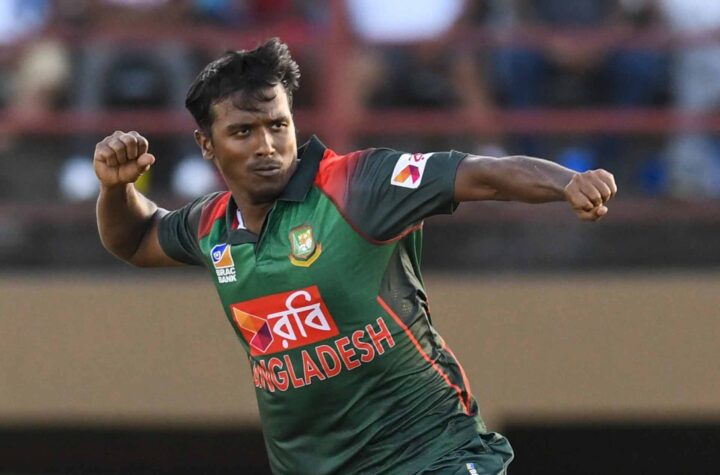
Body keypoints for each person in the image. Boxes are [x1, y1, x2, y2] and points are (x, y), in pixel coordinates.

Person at [94, 38, 616, 474]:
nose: (266, 145)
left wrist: (567, 183)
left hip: (434, 457)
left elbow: (478, 174)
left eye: (278, 125)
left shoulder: (356, 185)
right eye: (243, 132)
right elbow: (135, 240)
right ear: (207, 145)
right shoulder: (211, 226)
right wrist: (116, 188)